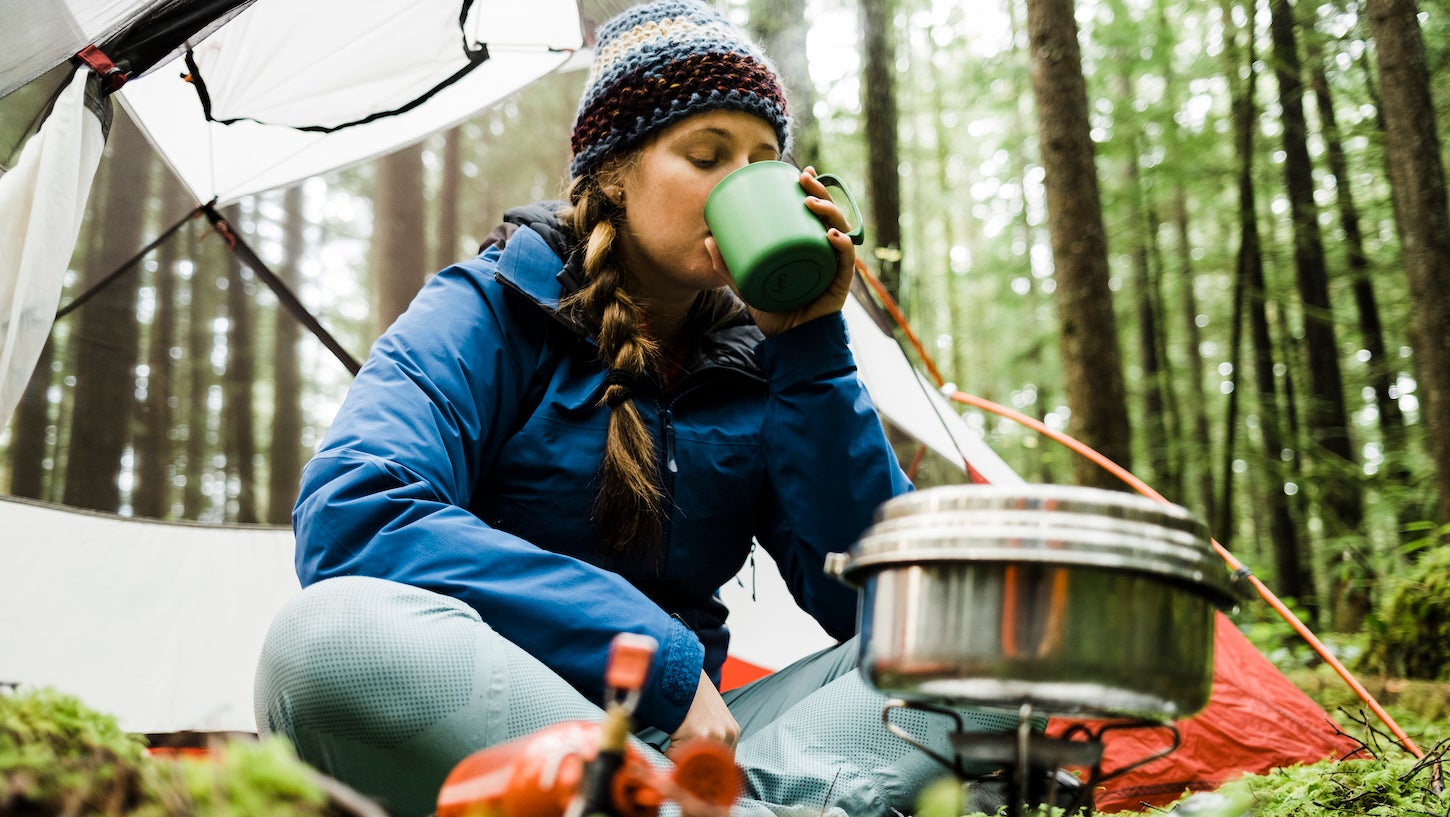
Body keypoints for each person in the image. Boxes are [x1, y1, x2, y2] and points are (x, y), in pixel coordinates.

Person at [254, 2, 1022, 816]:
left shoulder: (764, 362)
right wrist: (652, 656)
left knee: (995, 643)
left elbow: (883, 607)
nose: (742, 182)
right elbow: (354, 512)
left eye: (765, 162)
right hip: (496, 725)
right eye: (707, 155)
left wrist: (812, 351)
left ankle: (674, 804)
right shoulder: (489, 308)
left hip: (709, 754)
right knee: (324, 638)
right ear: (613, 173)